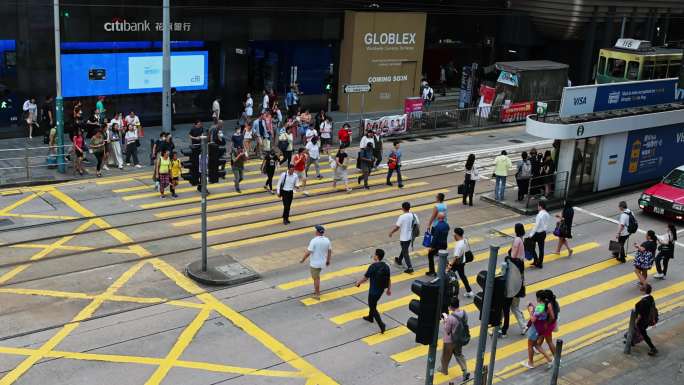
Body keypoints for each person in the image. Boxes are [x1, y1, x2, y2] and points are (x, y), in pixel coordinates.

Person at [356, 248, 391, 334]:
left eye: (374, 254)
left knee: (372, 306)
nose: (373, 255)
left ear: (377, 256)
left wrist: (358, 283)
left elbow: (365, 278)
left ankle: (381, 324)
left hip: (373, 292)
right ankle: (370, 317)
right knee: (373, 303)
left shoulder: (373, 267)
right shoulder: (386, 266)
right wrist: (389, 289)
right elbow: (389, 279)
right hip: (381, 291)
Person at [500, 223, 526, 336]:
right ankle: (524, 326)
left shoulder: (516, 240)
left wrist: (509, 258)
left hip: (512, 284)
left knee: (506, 306)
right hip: (519, 282)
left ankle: (503, 328)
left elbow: (513, 255)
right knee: (514, 306)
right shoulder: (521, 239)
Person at [439, 297, 470, 383]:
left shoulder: (450, 318)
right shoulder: (464, 313)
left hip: (450, 341)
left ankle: (444, 370)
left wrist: (445, 319)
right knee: (459, 355)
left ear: (451, 307)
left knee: (445, 356)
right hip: (459, 339)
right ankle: (465, 371)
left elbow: (447, 330)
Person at [521, 291, 555, 369]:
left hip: (535, 329)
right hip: (541, 327)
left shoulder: (540, 307)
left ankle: (530, 363)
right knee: (535, 344)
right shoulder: (546, 304)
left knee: (530, 345)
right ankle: (549, 359)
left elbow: (533, 319)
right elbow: (549, 316)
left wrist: (529, 310)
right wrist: (533, 307)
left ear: (539, 298)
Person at [300, 225, 332, 301]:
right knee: (317, 277)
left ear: (317, 232)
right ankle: (316, 291)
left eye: (315, 230)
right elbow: (329, 251)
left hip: (315, 263)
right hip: (323, 263)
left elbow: (309, 252)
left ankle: (317, 294)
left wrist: (303, 259)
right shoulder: (327, 240)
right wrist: (328, 260)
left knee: (316, 278)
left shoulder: (314, 240)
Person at [389, 202, 417, 274]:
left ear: (403, 208)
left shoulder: (402, 217)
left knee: (405, 252)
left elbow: (397, 227)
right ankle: (399, 260)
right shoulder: (413, 215)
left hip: (404, 237)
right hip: (410, 236)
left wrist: (391, 232)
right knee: (404, 249)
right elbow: (416, 224)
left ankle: (410, 268)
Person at [448, 227, 474, 298]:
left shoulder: (459, 245)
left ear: (457, 235)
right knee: (462, 276)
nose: (453, 235)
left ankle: (445, 289)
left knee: (448, 273)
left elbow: (456, 257)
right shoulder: (465, 240)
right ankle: (469, 291)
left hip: (458, 262)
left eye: (454, 234)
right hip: (462, 261)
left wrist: (450, 264)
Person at [633, 283, 658, 355]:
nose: (640, 287)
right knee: (638, 331)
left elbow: (640, 314)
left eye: (642, 287)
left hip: (643, 321)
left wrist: (636, 321)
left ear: (643, 290)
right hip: (649, 319)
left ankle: (653, 348)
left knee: (643, 333)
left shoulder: (643, 302)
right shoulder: (651, 297)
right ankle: (632, 341)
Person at [426, 212, 449, 277]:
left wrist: (431, 247)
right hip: (444, 244)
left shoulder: (437, 227)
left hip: (437, 245)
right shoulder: (447, 225)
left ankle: (432, 271)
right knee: (443, 257)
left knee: (430, 255)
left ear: (438, 218)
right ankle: (448, 268)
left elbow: (435, 238)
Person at [529, 200, 551, 268]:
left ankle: (535, 260)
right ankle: (540, 263)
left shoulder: (539, 215)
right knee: (541, 249)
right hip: (543, 233)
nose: (537, 207)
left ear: (540, 206)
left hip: (537, 234)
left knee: (530, 245)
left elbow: (536, 226)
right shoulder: (547, 214)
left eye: (538, 206)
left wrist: (531, 234)